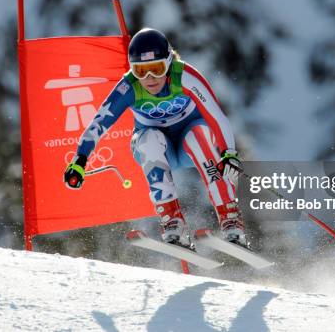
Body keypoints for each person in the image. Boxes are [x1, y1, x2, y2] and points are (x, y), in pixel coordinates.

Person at [63, 28, 245, 249]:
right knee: (148, 139)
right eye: (141, 71)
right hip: (160, 150)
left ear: (168, 63)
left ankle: (230, 219)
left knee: (198, 136)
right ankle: (172, 221)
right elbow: (98, 124)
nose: (149, 79)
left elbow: (217, 117)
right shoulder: (128, 87)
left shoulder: (184, 76)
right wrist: (80, 160)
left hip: (192, 144)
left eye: (156, 69)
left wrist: (229, 153)